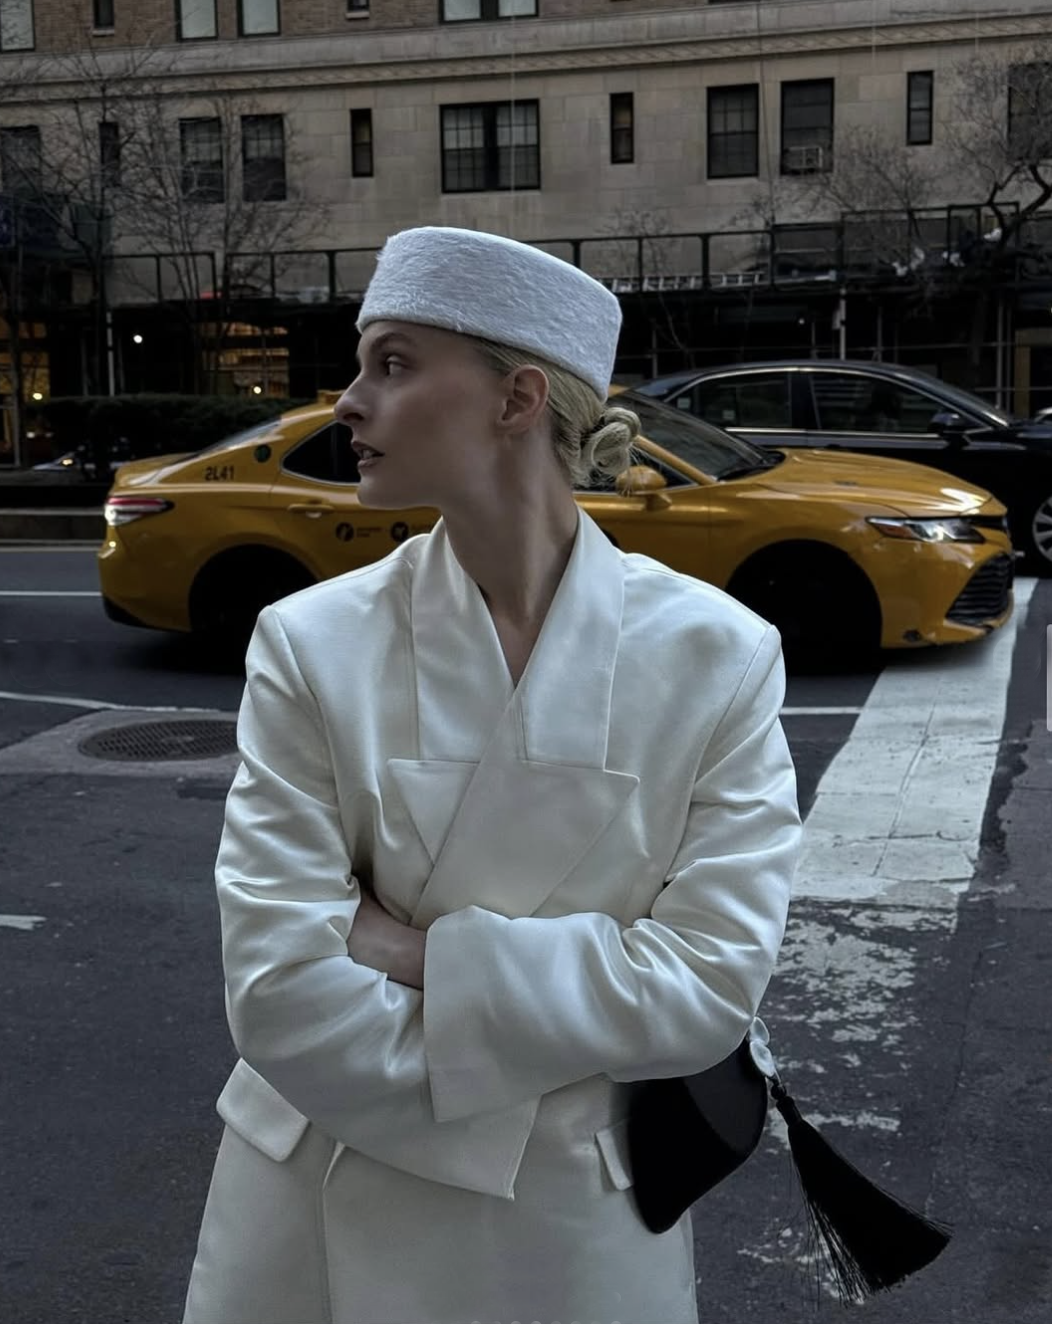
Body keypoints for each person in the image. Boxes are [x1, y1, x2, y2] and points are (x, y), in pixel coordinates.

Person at [182, 226, 802, 1324]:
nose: (346, 402)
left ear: (517, 399)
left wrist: (417, 951)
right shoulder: (307, 640)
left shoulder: (719, 652)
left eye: (394, 362)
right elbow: (277, 994)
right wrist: (566, 1032)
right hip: (313, 1215)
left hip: (567, 1230)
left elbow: (707, 991)